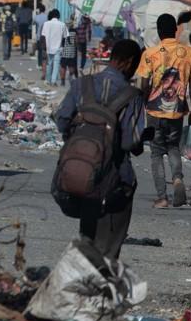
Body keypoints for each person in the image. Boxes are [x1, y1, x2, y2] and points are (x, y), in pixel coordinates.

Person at [54, 39, 148, 263]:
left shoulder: (82, 85)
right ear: (127, 63)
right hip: (114, 180)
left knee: (87, 235)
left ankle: (83, 276)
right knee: (109, 245)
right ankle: (100, 280)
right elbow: (129, 142)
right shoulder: (131, 96)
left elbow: (62, 120)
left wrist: (81, 140)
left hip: (81, 173)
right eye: (135, 65)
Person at [135, 13, 191, 208]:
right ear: (175, 30)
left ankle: (162, 197)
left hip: (154, 111)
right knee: (173, 147)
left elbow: (144, 85)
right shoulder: (190, 53)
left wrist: (140, 105)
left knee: (156, 153)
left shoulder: (150, 54)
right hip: (178, 111)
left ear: (160, 32)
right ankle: (178, 178)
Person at [42, 9, 68, 85]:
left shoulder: (46, 24)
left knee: (49, 64)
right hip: (58, 48)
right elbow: (65, 37)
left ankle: (48, 80)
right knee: (56, 64)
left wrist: (44, 48)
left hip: (49, 47)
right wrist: (63, 46)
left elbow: (43, 36)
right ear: (58, 16)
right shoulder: (62, 24)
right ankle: (53, 81)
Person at [34, 3, 49, 71]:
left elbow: (33, 23)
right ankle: (45, 64)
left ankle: (40, 64)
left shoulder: (37, 17)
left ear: (39, 10)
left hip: (39, 36)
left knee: (39, 51)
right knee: (46, 50)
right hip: (46, 36)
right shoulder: (47, 17)